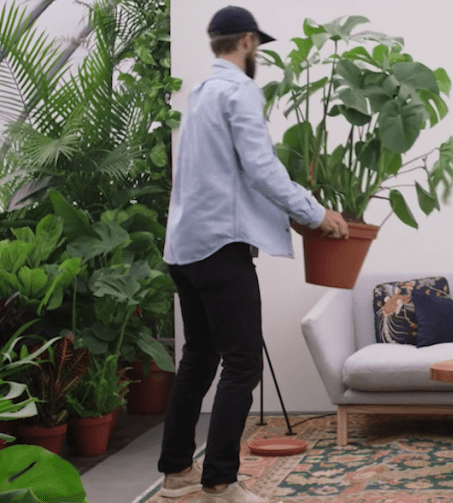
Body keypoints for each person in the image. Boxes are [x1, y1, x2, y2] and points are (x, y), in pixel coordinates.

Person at [156, 6, 347, 503]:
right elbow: (260, 167)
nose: (257, 54)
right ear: (246, 41)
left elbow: (223, 175)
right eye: (256, 46)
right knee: (242, 363)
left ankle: (176, 474)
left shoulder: (199, 94)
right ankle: (220, 480)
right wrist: (313, 212)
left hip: (184, 246)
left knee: (198, 356)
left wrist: (280, 213)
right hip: (220, 246)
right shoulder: (239, 90)